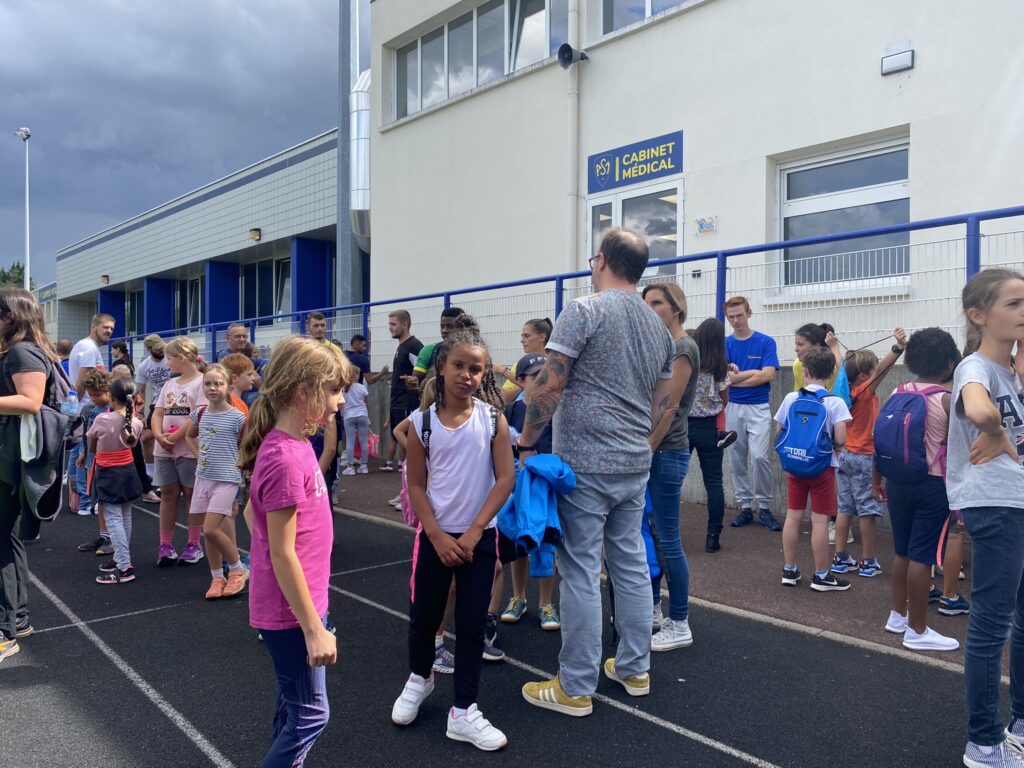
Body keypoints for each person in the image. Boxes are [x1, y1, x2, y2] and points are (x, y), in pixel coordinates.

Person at [518, 229, 675, 717]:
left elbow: (549, 385)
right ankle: (634, 669)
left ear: (601, 260)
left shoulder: (584, 310)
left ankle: (576, 686)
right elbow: (662, 401)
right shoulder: (658, 327)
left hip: (585, 463)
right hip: (633, 461)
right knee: (630, 565)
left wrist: (526, 443)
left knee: (581, 569)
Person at [390, 316, 515, 751]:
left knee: (472, 624)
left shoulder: (493, 420)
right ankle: (419, 678)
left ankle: (463, 711)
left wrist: (475, 532)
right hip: (435, 538)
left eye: (476, 369)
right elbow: (416, 485)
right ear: (441, 367)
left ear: (484, 374)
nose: (467, 375)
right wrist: (439, 536)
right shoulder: (422, 423)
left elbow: (505, 479)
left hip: (479, 540)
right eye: (459, 366)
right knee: (424, 618)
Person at [239, 335, 349, 768]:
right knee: (310, 715)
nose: (341, 401)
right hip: (291, 614)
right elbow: (283, 554)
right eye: (334, 390)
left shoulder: (297, 445)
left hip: (300, 605)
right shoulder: (285, 458)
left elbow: (252, 514)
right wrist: (312, 627)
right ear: (304, 392)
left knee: (293, 708)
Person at [945, 269, 1024, 768]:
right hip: (995, 506)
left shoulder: (1012, 371)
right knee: (992, 625)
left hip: (1016, 502)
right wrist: (994, 428)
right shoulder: (975, 368)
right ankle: (984, 742)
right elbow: (977, 408)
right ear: (978, 316)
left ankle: (1019, 723)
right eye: (1014, 304)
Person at [875, 327, 961, 652]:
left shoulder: (898, 392)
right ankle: (918, 630)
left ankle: (897, 615)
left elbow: (880, 440)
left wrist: (876, 481)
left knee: (902, 551)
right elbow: (959, 449)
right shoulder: (947, 400)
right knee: (923, 557)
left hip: (897, 481)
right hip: (932, 484)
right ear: (950, 362)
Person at [0, 287, 58, 663]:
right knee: (7, 538)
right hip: (8, 460)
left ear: (10, 316)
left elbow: (31, 401)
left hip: (10, 463)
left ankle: (5, 631)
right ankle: (16, 620)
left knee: (1, 541)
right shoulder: (16, 351)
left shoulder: (22, 352)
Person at [642, 283, 699, 652]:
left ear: (676, 308)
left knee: (666, 538)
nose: (649, 309)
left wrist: (645, 448)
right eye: (645, 303)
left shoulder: (682, 347)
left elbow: (669, 407)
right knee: (649, 536)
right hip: (656, 451)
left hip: (664, 453)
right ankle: (654, 610)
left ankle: (679, 622)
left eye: (656, 303)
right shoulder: (664, 345)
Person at [831, 328, 906, 577]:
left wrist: (834, 346)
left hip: (844, 455)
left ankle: (840, 558)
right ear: (863, 376)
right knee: (867, 511)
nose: (877, 373)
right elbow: (883, 368)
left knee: (844, 508)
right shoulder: (864, 392)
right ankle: (868, 561)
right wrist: (898, 348)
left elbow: (842, 365)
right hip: (864, 458)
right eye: (872, 371)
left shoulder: (844, 390)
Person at [776, 346, 852, 592]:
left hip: (795, 466)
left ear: (805, 371)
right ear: (830, 374)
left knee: (793, 516)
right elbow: (841, 438)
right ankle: (821, 575)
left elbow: (780, 430)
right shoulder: (835, 402)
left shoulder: (791, 398)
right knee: (820, 521)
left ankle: (789, 569)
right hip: (822, 468)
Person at [499, 353, 558, 630]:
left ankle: (546, 603)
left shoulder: (556, 409)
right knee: (518, 541)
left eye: (546, 374)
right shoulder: (512, 410)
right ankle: (518, 597)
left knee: (546, 540)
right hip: (518, 483)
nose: (543, 380)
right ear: (521, 381)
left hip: (546, 486)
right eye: (536, 376)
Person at [183, 364, 248, 601]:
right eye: (208, 383)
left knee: (211, 528)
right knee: (207, 532)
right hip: (204, 477)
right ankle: (217, 577)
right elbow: (189, 436)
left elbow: (246, 446)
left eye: (218, 384)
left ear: (229, 387)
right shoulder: (200, 414)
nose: (213, 388)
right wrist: (198, 455)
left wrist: (242, 470)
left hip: (227, 479)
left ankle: (238, 569)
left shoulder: (238, 417)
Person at [723, 297, 781, 532]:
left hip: (759, 406)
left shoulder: (765, 342)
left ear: (749, 313)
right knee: (736, 457)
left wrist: (737, 378)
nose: (736, 320)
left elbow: (768, 375)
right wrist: (752, 373)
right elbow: (725, 380)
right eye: (731, 317)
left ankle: (764, 507)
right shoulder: (725, 344)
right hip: (732, 406)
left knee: (759, 457)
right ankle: (745, 506)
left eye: (739, 315)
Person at [151, 336, 207, 567]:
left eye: (170, 358)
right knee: (167, 493)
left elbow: (197, 415)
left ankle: (194, 543)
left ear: (182, 358)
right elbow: (158, 412)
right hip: (165, 449)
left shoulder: (202, 382)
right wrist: (159, 436)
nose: (167, 363)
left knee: (192, 495)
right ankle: (166, 545)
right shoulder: (170, 384)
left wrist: (174, 438)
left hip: (189, 449)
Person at [89, 377, 144, 585]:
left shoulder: (103, 419)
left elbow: (92, 445)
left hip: (109, 473)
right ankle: (121, 559)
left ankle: (124, 567)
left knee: (113, 519)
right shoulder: (136, 422)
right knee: (125, 514)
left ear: (111, 398)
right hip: (128, 471)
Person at [688, 318, 731, 552]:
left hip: (683, 426)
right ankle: (713, 537)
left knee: (673, 481)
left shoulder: (687, 362)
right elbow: (724, 400)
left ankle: (665, 533)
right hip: (710, 428)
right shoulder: (720, 368)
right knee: (714, 483)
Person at [67, 313, 115, 516]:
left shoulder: (88, 347)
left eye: (111, 328)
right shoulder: (88, 348)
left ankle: (78, 500)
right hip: (86, 410)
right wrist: (72, 410)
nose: (109, 331)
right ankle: (84, 500)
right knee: (84, 456)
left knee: (79, 454)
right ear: (94, 327)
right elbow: (81, 382)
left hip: (86, 409)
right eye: (105, 327)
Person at [383, 310, 423, 472]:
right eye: (389, 324)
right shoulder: (402, 346)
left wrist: (415, 381)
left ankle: (417, 464)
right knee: (398, 436)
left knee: (406, 437)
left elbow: (425, 371)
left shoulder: (414, 346)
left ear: (405, 325)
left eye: (393, 324)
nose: (390, 328)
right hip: (397, 402)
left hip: (408, 402)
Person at [135, 334, 172, 499]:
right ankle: (151, 473)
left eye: (162, 346)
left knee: (167, 437)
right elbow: (141, 390)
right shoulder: (144, 366)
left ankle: (169, 479)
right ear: (149, 349)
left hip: (174, 402)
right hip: (158, 403)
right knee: (146, 438)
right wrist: (141, 413)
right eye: (157, 348)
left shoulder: (170, 357)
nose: (161, 350)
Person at [495, 318, 553, 406]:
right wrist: (523, 386)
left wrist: (503, 370)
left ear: (542, 337)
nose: (522, 340)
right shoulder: (520, 366)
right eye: (522, 336)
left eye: (526, 336)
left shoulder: (556, 365)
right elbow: (503, 398)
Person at [412, 307, 465, 382]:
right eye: (442, 326)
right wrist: (412, 383)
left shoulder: (473, 353)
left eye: (450, 326)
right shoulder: (429, 350)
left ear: (462, 328)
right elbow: (415, 381)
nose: (444, 330)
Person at [341, 377, 370, 475]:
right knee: (363, 441)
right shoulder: (361, 387)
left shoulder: (343, 388)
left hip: (348, 416)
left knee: (350, 441)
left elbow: (341, 404)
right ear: (356, 375)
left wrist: (343, 414)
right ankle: (364, 466)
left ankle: (350, 467)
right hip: (362, 415)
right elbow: (366, 403)